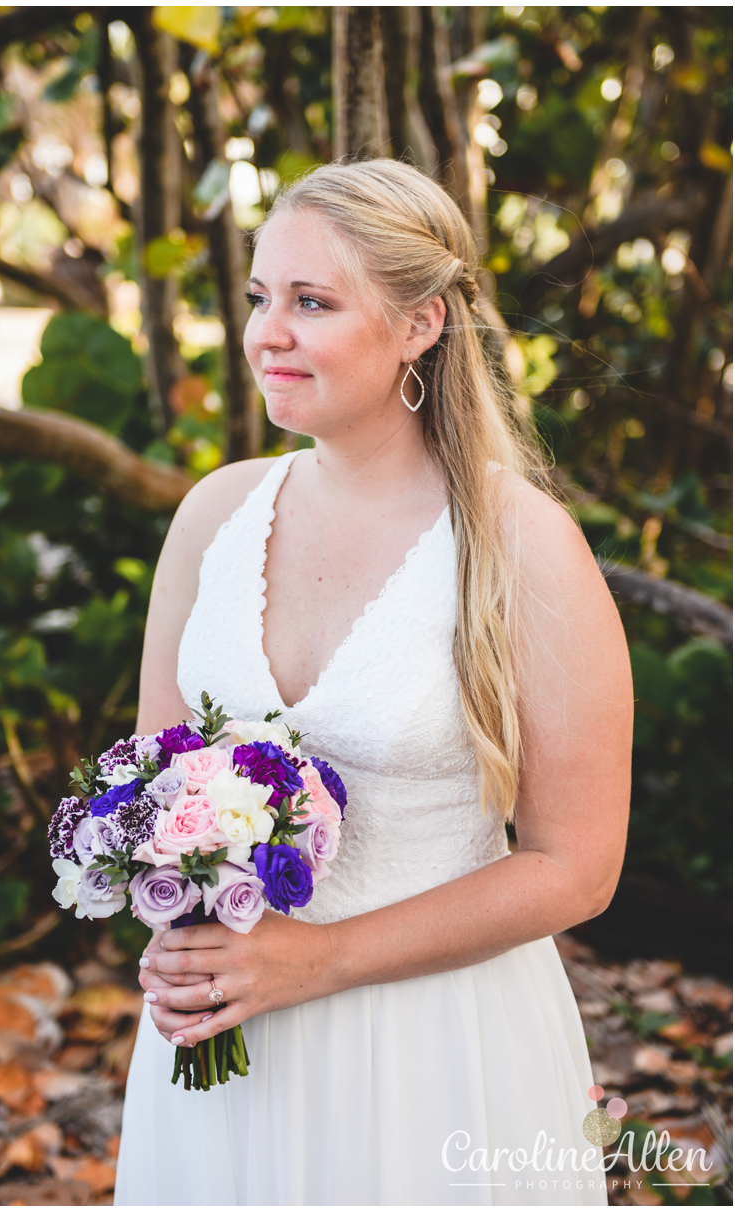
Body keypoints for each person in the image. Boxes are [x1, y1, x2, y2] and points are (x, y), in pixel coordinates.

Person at [112, 160, 630, 1205]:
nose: (267, 333)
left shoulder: (520, 545)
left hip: (438, 1051)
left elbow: (578, 866)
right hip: (227, 1040)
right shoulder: (213, 520)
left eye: (312, 302)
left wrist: (322, 959)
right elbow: (148, 785)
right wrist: (173, 929)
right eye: (262, 298)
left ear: (420, 325)